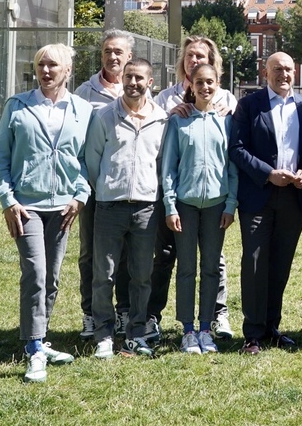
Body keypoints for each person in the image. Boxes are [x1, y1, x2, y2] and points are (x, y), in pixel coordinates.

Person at [0, 44, 92, 383]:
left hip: (63, 208)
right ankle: (34, 348)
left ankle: (40, 337)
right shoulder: (17, 107)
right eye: (41, 65)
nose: (46, 71)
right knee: (35, 272)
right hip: (27, 207)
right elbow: (0, 161)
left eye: (53, 65)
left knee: (52, 278)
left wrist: (79, 197)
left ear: (67, 71)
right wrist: (8, 200)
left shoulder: (82, 109)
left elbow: (87, 161)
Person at [147, 35, 236, 345]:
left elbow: (231, 166)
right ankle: (187, 328)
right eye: (199, 82)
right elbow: (168, 167)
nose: (205, 87)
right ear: (191, 83)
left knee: (212, 266)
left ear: (216, 80)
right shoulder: (177, 118)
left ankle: (207, 326)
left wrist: (230, 203)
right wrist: (170, 205)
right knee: (185, 267)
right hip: (184, 204)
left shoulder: (226, 118)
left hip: (216, 205)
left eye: (210, 81)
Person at [228, 51, 302, 355]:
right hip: (258, 195)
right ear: (266, 73)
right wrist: (268, 174)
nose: (284, 75)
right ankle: (252, 333)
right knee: (254, 263)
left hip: (293, 197)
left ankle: (271, 326)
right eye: (277, 69)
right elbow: (237, 149)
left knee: (280, 264)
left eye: (289, 69)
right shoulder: (250, 105)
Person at [83, 58, 168, 358]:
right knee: (103, 274)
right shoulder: (105, 116)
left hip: (147, 208)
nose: (133, 83)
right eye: (129, 77)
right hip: (109, 206)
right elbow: (92, 159)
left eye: (139, 78)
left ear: (150, 82)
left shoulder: (162, 119)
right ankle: (104, 333)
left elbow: (162, 162)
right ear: (122, 80)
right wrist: (106, 186)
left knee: (142, 274)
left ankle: (136, 332)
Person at [74, 29, 135, 340]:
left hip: (128, 190)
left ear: (129, 57)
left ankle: (124, 312)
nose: (113, 57)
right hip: (94, 189)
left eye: (118, 52)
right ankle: (91, 313)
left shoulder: (140, 91)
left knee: (126, 253)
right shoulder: (85, 93)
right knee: (90, 253)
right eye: (108, 51)